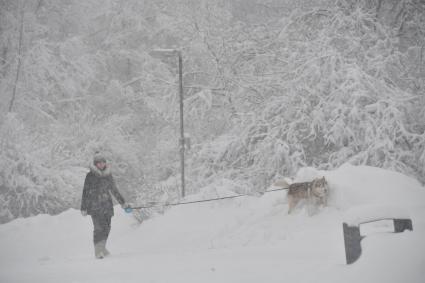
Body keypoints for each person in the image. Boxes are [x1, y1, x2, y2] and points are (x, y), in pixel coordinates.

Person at [81, 152, 129, 259]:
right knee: (98, 228)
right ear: (95, 164)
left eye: (103, 162)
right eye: (99, 163)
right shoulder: (90, 176)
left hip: (107, 205)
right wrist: (83, 207)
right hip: (95, 206)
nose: (101, 164)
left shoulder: (108, 175)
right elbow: (85, 192)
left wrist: (123, 203)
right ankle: (98, 251)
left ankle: (102, 248)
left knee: (107, 228)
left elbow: (114, 190)